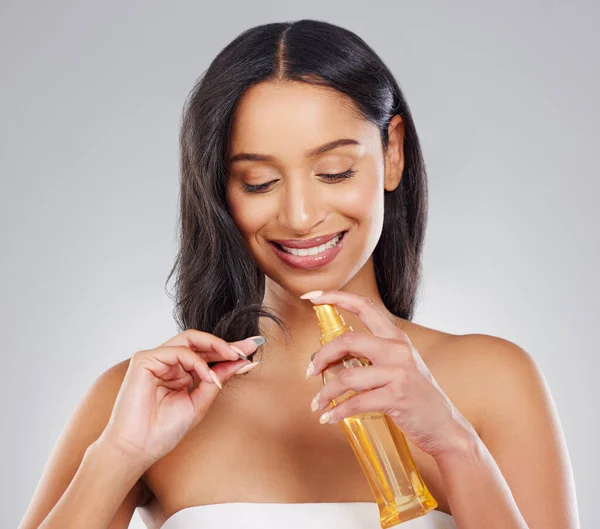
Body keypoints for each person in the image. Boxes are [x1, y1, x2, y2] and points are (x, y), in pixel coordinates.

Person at [19, 19, 579, 529]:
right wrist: (118, 455)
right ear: (219, 190)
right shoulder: (139, 400)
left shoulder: (494, 382)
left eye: (334, 171)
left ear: (392, 153)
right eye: (259, 182)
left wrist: (456, 446)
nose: (301, 216)